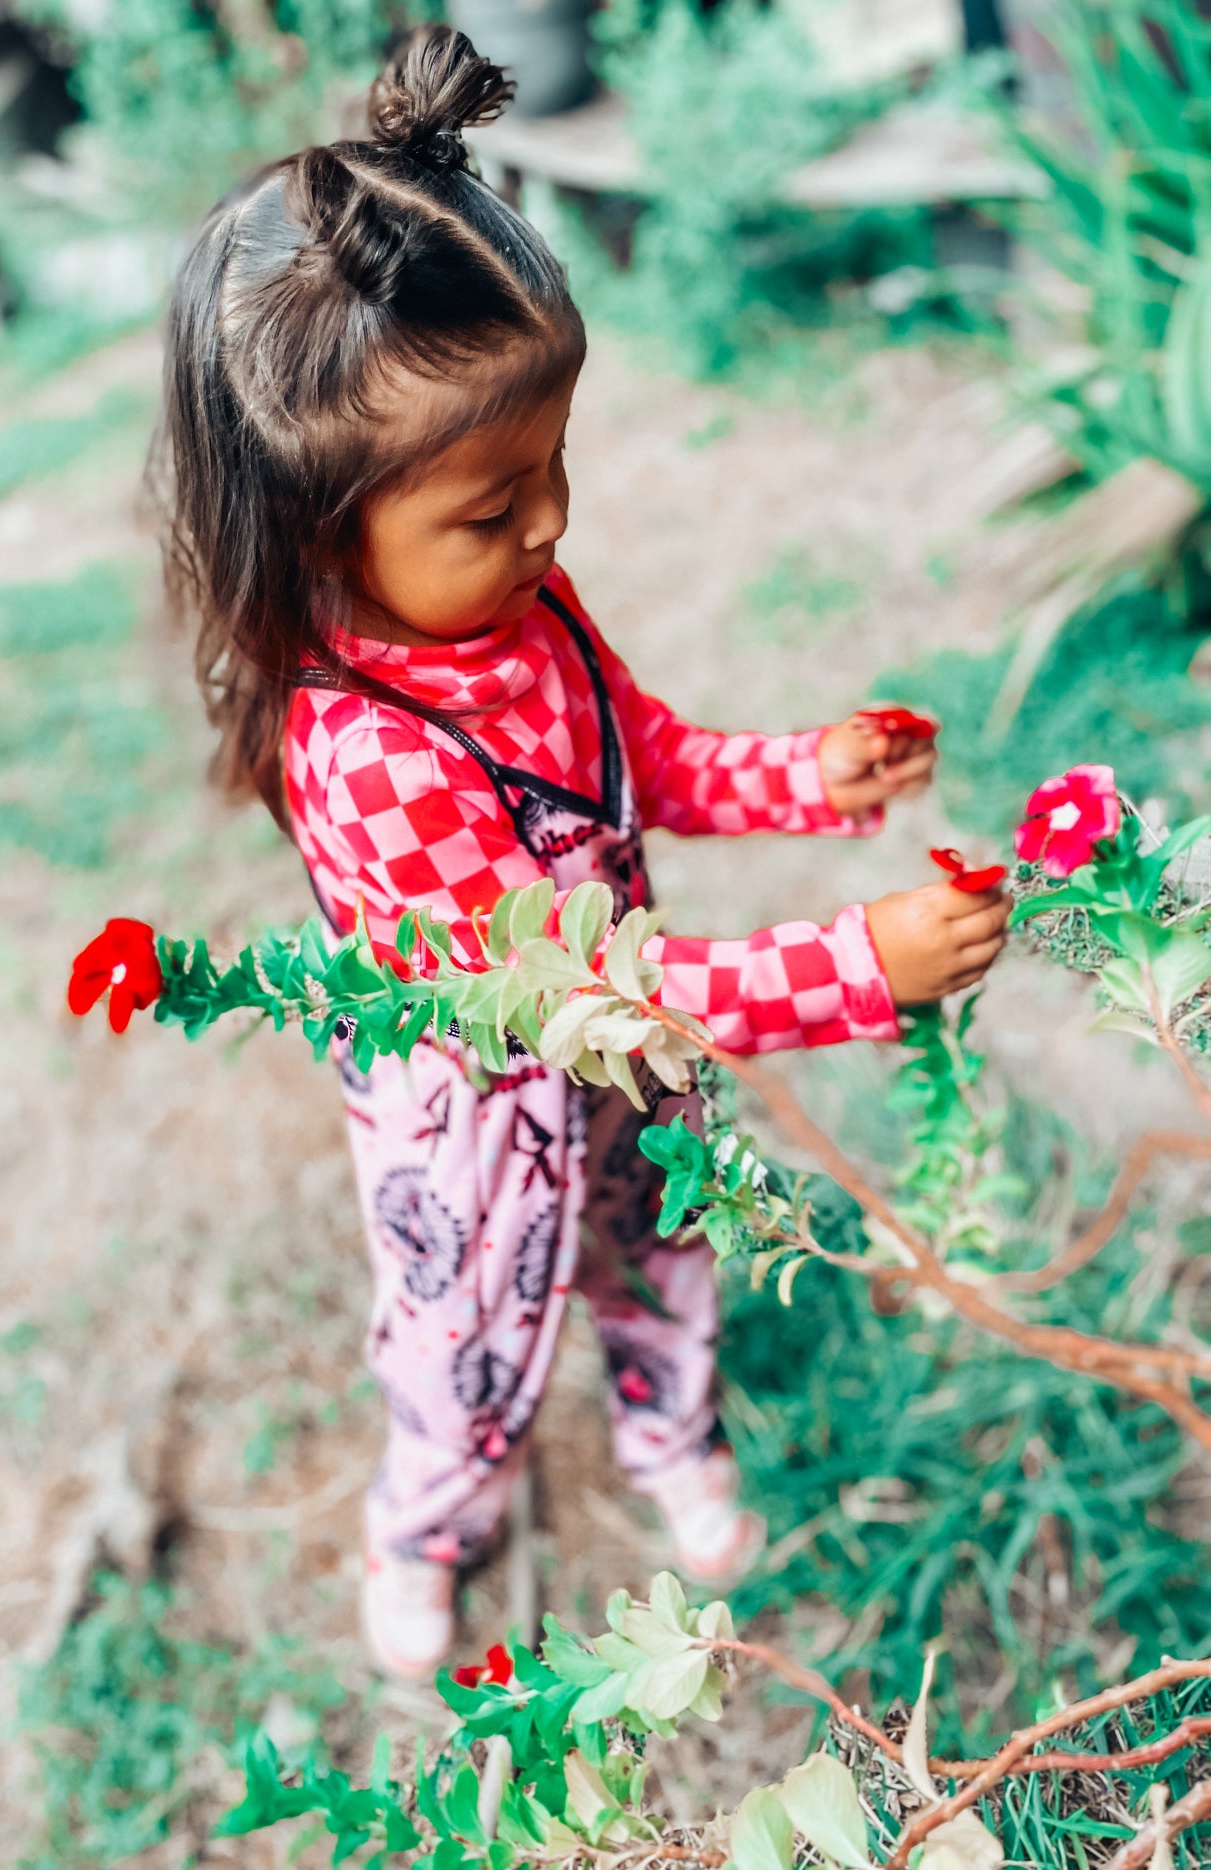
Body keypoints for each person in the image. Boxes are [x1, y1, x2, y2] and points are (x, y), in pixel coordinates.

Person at [155, 25, 1009, 1679]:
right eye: (489, 508)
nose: (547, 526)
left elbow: (649, 759)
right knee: (460, 1351)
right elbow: (590, 1001)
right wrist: (855, 969)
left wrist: (813, 776)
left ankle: (667, 1433)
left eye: (553, 468)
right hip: (477, 1118)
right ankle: (426, 1529)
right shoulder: (366, 753)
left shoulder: (529, 614)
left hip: (626, 1070)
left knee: (662, 1252)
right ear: (320, 531)